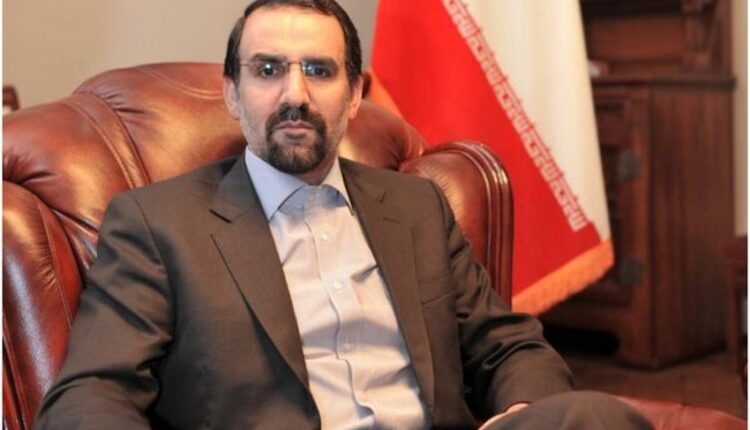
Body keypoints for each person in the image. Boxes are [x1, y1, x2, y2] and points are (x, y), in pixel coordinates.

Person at [36, 1, 652, 429]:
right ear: (232, 94)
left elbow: (507, 345)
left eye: (319, 70)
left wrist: (519, 413)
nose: (295, 94)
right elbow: (91, 393)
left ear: (355, 94)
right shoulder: (157, 223)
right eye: (268, 70)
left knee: (598, 417)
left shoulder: (415, 206)